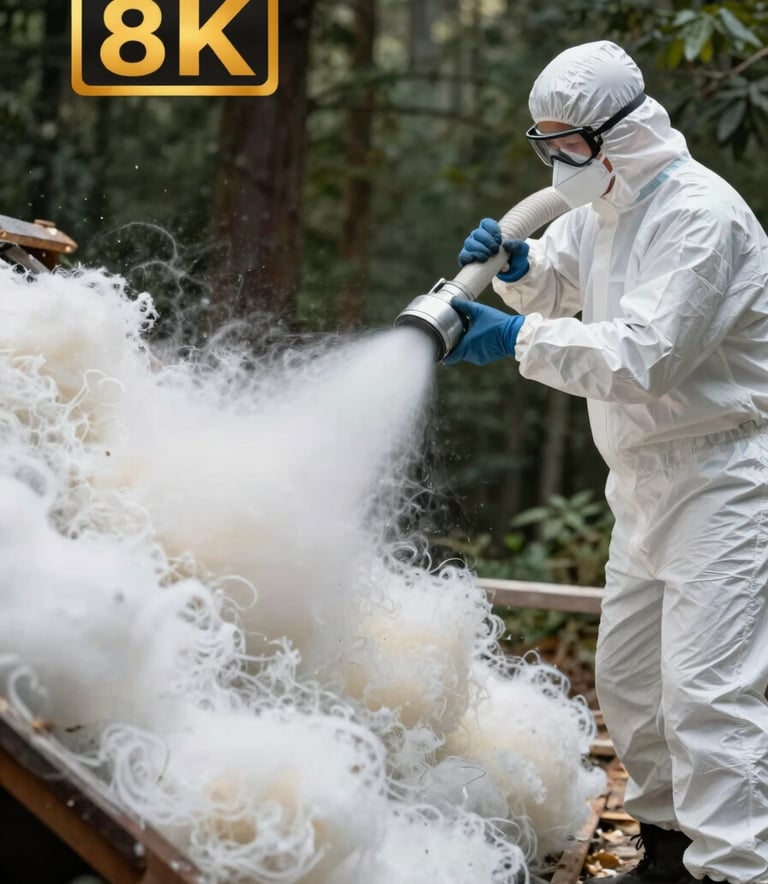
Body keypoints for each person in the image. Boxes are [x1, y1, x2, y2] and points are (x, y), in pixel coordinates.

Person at [447, 40, 768, 884]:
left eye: (568, 145)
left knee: (711, 695)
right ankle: (667, 849)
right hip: (643, 483)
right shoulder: (604, 209)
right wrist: (518, 272)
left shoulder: (702, 216)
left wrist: (515, 336)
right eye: (543, 145)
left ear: (622, 132)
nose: (555, 162)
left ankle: (735, 870)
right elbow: (563, 280)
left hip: (724, 481)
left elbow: (643, 359)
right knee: (629, 685)